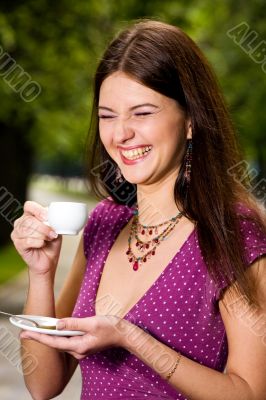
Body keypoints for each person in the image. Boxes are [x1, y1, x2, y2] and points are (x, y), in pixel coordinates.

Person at [11, 19, 266, 400]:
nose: (121, 134)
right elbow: (44, 384)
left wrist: (131, 337)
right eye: (107, 115)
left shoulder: (234, 234)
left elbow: (249, 393)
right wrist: (41, 273)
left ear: (192, 119)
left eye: (142, 113)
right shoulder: (104, 224)